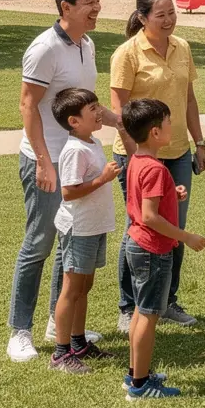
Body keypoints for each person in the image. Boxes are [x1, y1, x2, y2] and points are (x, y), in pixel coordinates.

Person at [6, 0, 117, 363]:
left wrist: (124, 123)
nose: (97, 8)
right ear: (65, 7)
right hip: (46, 160)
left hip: (75, 159)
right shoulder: (45, 48)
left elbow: (87, 104)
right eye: (89, 3)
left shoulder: (86, 44)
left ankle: (60, 323)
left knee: (69, 244)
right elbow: (27, 106)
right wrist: (42, 162)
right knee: (39, 243)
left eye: (97, 1)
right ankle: (20, 330)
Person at [111, 0, 205, 332]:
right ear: (142, 18)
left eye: (171, 13)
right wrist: (137, 157)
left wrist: (199, 143)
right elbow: (119, 111)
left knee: (174, 230)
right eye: (160, 14)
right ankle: (128, 306)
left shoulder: (182, 47)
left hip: (178, 152)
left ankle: (167, 300)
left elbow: (190, 100)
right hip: (139, 157)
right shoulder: (127, 54)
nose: (168, 20)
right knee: (138, 230)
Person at [122, 98, 205, 400]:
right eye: (169, 121)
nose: (173, 125)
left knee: (139, 312)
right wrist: (186, 236)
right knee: (148, 315)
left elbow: (151, 202)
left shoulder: (137, 161)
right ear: (156, 132)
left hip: (137, 245)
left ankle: (135, 374)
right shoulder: (156, 169)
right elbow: (149, 216)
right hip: (152, 250)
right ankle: (141, 386)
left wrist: (174, 193)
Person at [48, 88, 120, 375]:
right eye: (92, 108)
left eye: (97, 105)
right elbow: (68, 192)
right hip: (79, 229)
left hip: (93, 226)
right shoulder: (75, 150)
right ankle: (61, 354)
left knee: (84, 287)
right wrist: (103, 179)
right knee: (71, 288)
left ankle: (78, 343)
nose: (99, 111)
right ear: (73, 121)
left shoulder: (90, 142)